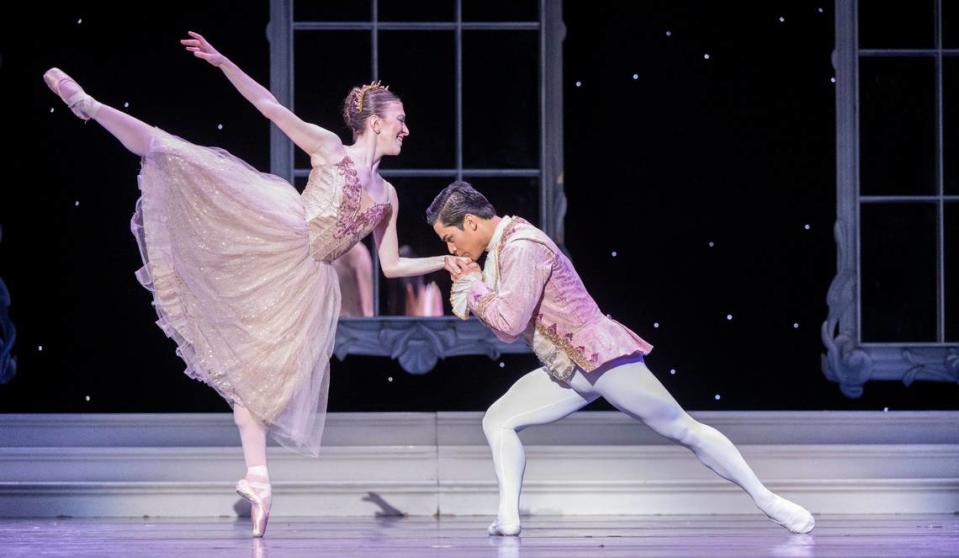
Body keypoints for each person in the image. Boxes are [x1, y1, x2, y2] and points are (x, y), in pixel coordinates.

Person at [43, 31, 467, 537]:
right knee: (178, 154)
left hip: (307, 280)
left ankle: (258, 478)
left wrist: (444, 260)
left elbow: (392, 266)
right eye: (400, 120)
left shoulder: (389, 195)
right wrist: (223, 61)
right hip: (277, 231)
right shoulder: (331, 150)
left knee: (258, 378)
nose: (406, 129)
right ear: (375, 122)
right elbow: (269, 106)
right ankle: (91, 106)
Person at [427, 181, 815, 536]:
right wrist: (475, 283)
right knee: (498, 420)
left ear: (473, 223)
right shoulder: (503, 248)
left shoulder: (522, 245)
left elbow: (509, 323)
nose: (451, 247)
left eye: (450, 237)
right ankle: (508, 518)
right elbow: (505, 322)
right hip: (567, 367)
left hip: (600, 358)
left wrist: (474, 286)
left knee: (682, 428)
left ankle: (767, 500)